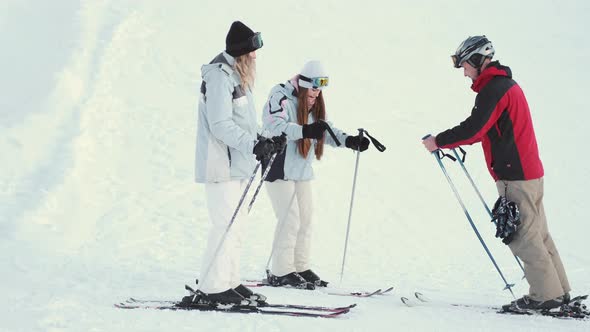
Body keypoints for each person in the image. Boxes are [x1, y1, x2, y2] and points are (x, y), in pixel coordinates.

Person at [422, 36, 571, 310]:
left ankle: (545, 296)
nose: (464, 71)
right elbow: (484, 127)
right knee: (538, 234)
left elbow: (475, 128)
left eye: (465, 65)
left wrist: (439, 141)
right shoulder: (506, 86)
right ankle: (558, 292)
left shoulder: (494, 89)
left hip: (515, 176)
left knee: (524, 236)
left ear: (478, 60)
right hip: (529, 173)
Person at [185, 21, 285, 306]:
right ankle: (212, 287)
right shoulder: (219, 77)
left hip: (238, 166)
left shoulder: (238, 76)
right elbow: (220, 125)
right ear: (241, 52)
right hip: (221, 166)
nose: (255, 57)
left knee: (237, 227)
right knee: (225, 226)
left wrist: (266, 138)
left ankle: (229, 281)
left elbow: (245, 122)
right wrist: (254, 145)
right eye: (252, 51)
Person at [261, 60, 370, 289]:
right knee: (290, 220)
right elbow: (273, 126)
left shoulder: (314, 104)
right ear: (302, 84)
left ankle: (300, 267)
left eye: (320, 89)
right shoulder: (280, 94)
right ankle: (281, 270)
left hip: (300, 169)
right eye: (313, 88)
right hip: (278, 166)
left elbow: (325, 130)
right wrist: (304, 131)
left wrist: (350, 141)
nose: (316, 93)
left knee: (306, 219)